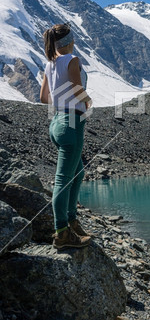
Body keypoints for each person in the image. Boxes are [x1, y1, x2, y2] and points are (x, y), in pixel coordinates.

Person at [40, 23, 93, 250]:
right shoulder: (71, 60)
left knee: (78, 172)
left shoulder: (50, 63)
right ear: (70, 40)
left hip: (57, 123)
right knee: (63, 180)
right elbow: (76, 88)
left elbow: (44, 98)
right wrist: (88, 102)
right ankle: (62, 232)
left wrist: (62, 104)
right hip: (71, 123)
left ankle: (71, 221)